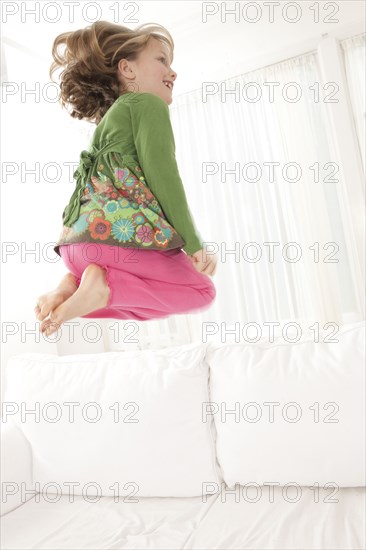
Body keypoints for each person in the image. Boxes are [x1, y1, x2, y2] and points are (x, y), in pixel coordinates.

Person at [35, 21, 217, 336]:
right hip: (111, 243)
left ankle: (70, 287)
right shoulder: (146, 104)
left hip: (73, 248)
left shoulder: (109, 121)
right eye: (161, 60)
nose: (172, 72)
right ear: (127, 69)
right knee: (202, 291)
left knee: (111, 289)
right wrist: (193, 242)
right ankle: (101, 287)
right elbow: (164, 175)